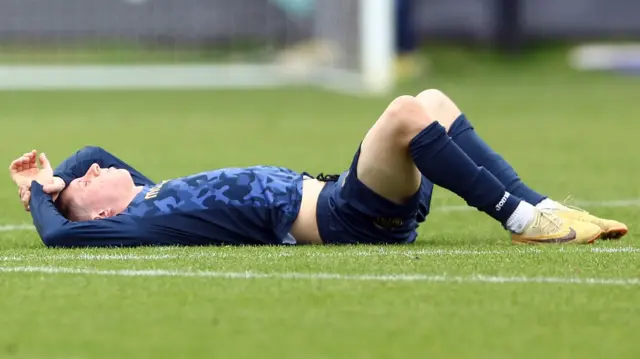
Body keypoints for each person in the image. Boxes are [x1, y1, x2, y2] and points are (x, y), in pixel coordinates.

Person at [9, 89, 627, 248]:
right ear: (107, 215)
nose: (88, 172)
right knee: (406, 115)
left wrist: (56, 179)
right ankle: (523, 219)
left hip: (344, 198)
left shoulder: (140, 192)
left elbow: (91, 153)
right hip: (345, 216)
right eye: (86, 188)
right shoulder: (139, 222)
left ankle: (539, 208)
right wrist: (41, 195)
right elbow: (63, 231)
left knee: (432, 104)